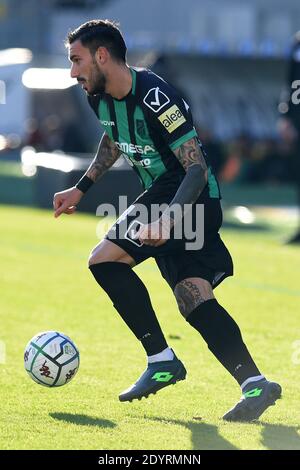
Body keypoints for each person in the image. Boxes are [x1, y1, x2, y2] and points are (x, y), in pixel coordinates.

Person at [53, 19, 281, 421]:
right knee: (193, 298)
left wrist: (168, 220)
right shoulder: (97, 95)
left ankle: (161, 358)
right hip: (169, 198)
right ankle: (255, 384)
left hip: (186, 194)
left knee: (103, 259)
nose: (73, 71)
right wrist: (81, 188)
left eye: (77, 60)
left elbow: (195, 168)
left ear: (102, 56)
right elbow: (113, 139)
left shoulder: (158, 97)